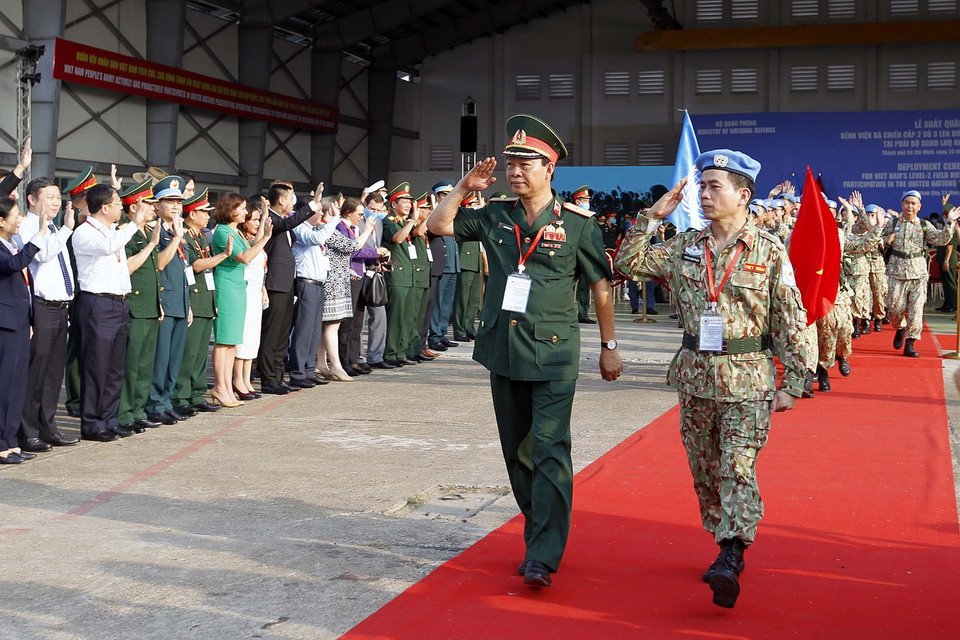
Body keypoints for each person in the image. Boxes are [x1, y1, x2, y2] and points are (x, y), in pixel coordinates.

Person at [427, 114, 622, 588]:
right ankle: (541, 528)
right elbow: (438, 224)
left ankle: (543, 554)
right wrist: (463, 187)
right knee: (516, 452)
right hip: (502, 348)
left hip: (554, 353)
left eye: (526, 163)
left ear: (550, 168)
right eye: (510, 163)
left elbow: (601, 288)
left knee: (550, 448)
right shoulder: (495, 213)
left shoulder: (577, 225)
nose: (515, 171)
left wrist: (609, 346)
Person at [614, 149, 807, 609]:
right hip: (695, 378)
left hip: (748, 381)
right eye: (701, 186)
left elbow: (791, 318)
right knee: (704, 471)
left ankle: (732, 550)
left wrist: (792, 381)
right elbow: (626, 265)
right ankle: (723, 537)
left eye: (713, 186)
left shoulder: (769, 251)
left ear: (743, 196)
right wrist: (650, 216)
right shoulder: (685, 246)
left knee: (737, 466)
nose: (702, 194)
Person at [72, 184, 149, 441]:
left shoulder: (113, 231)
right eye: (117, 204)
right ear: (104, 208)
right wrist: (134, 223)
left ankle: (109, 418)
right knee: (97, 366)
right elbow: (107, 247)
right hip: (97, 303)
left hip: (118, 303)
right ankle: (92, 423)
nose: (121, 208)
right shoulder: (85, 232)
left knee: (115, 367)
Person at [17, 177, 80, 452]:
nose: (55, 202)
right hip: (40, 307)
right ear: (32, 199)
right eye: (49, 197)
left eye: (57, 198)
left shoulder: (53, 227)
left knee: (54, 373)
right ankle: (27, 431)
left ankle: (48, 427)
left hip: (60, 307)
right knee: (36, 372)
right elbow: (41, 256)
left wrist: (62, 228)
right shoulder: (27, 225)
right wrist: (67, 229)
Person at [258, 182, 322, 394]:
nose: (293, 202)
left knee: (283, 333)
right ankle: (268, 378)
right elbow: (288, 224)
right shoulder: (271, 219)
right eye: (291, 197)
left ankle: (277, 376)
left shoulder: (283, 221)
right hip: (275, 283)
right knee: (272, 333)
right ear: (282, 200)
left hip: (287, 283)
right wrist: (312, 204)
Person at [172, 189, 231, 416]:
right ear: (191, 214)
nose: (208, 216)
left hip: (205, 298)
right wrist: (223, 255)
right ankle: (181, 396)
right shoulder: (185, 236)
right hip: (194, 298)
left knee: (199, 354)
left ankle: (196, 393)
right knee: (189, 353)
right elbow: (197, 266)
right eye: (203, 212)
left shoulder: (199, 236)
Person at [211, 192, 272, 406]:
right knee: (223, 341)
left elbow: (250, 250)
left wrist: (263, 225)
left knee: (231, 343)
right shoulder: (223, 231)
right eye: (242, 208)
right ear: (231, 209)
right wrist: (264, 238)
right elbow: (245, 257)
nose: (246, 212)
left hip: (238, 286)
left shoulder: (235, 231)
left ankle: (227, 386)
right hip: (227, 286)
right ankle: (221, 386)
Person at [1, 197, 49, 463]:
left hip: (19, 322)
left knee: (17, 384)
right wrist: (39, 235)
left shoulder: (11, 243)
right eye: (15, 215)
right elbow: (13, 265)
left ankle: (11, 441)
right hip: (5, 324)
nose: (19, 219)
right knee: (4, 385)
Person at [883, 190, 958, 357]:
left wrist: (950, 223)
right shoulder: (893, 223)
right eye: (907, 202)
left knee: (916, 310)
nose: (910, 206)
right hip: (896, 272)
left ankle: (910, 342)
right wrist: (885, 241)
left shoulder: (924, 225)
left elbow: (941, 240)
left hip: (918, 274)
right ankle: (901, 328)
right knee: (894, 308)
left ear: (919, 206)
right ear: (902, 204)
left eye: (913, 203)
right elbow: (879, 240)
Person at [116, 178, 164, 433]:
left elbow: (153, 272)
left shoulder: (146, 231)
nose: (153, 208)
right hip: (134, 305)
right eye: (148, 204)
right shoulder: (125, 232)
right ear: (133, 207)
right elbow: (127, 267)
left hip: (149, 305)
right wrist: (152, 246)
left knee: (145, 364)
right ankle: (123, 413)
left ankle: (138, 409)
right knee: (130, 364)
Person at [145, 176, 191, 425]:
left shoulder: (177, 230)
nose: (175, 207)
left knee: (174, 358)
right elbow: (160, 264)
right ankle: (155, 404)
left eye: (178, 202)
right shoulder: (156, 229)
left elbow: (183, 268)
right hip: (165, 300)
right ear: (157, 204)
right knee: (160, 357)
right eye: (170, 201)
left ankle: (167, 399)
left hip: (180, 300)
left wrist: (189, 304)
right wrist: (174, 238)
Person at [319, 197, 381, 381]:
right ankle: (337, 364)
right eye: (333, 211)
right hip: (334, 282)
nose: (362, 218)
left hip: (342, 279)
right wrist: (368, 230)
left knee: (342, 324)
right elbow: (352, 247)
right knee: (334, 325)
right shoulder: (332, 229)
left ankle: (324, 364)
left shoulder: (330, 228)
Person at [287, 196, 340, 387]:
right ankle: (298, 371)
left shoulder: (315, 229)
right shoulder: (300, 228)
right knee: (304, 329)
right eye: (317, 210)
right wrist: (335, 219)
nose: (321, 214)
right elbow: (317, 239)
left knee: (314, 330)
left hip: (318, 284)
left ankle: (309, 368)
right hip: (306, 283)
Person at [337, 197, 389, 375]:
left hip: (360, 275)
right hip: (349, 276)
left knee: (357, 322)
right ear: (348, 212)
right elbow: (353, 250)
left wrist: (376, 260)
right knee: (347, 323)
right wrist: (375, 251)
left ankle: (353, 359)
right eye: (360, 214)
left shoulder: (352, 228)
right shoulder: (341, 228)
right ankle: (344, 361)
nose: (362, 217)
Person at [234, 197, 269, 399]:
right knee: (243, 337)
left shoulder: (254, 240)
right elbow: (248, 255)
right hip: (244, 291)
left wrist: (263, 289)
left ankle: (246, 378)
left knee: (253, 338)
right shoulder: (241, 239)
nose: (257, 223)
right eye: (254, 219)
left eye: (259, 219)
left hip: (256, 291)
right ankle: (238, 378)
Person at [427, 181, 462, 352]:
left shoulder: (453, 214)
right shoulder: (434, 214)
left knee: (447, 303)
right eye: (444, 195)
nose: (447, 198)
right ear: (438, 197)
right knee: (438, 303)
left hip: (454, 264)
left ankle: (442, 333)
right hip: (442, 265)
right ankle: (434, 336)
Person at [571, 185, 596, 324]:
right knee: (568, 287)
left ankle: (583, 313)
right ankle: (566, 313)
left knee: (585, 287)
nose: (587, 202)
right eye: (585, 200)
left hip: (585, 258)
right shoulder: (569, 216)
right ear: (577, 201)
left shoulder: (590, 217)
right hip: (571, 257)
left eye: (588, 199)